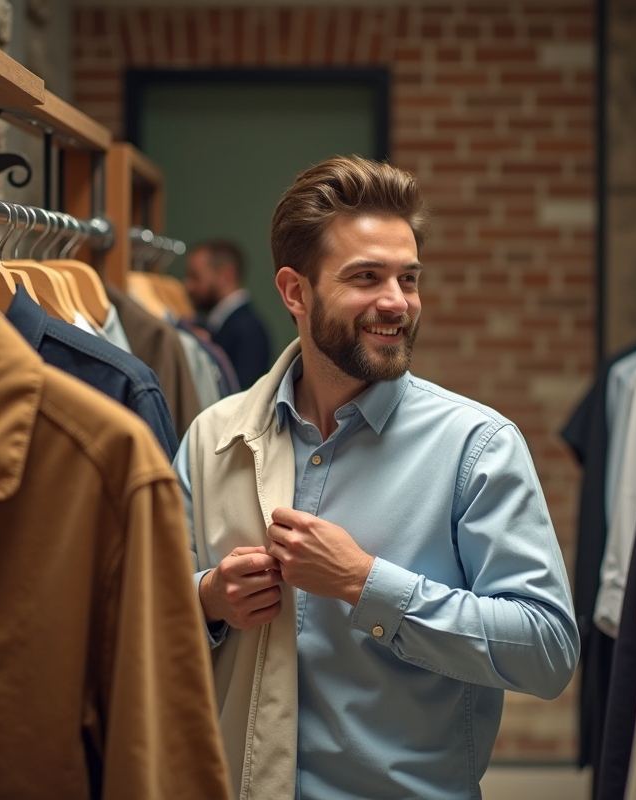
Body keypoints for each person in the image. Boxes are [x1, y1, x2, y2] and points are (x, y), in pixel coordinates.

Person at [174, 155, 579, 800]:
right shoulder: (212, 440)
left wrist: (366, 584)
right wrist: (209, 601)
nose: (397, 303)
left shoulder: (477, 447)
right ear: (295, 292)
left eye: (409, 279)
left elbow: (547, 650)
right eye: (367, 277)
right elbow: (143, 624)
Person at [184, 239, 272, 389]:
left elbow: (243, 397)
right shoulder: (217, 324)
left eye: (196, 277)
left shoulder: (248, 331)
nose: (188, 285)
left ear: (226, 275)